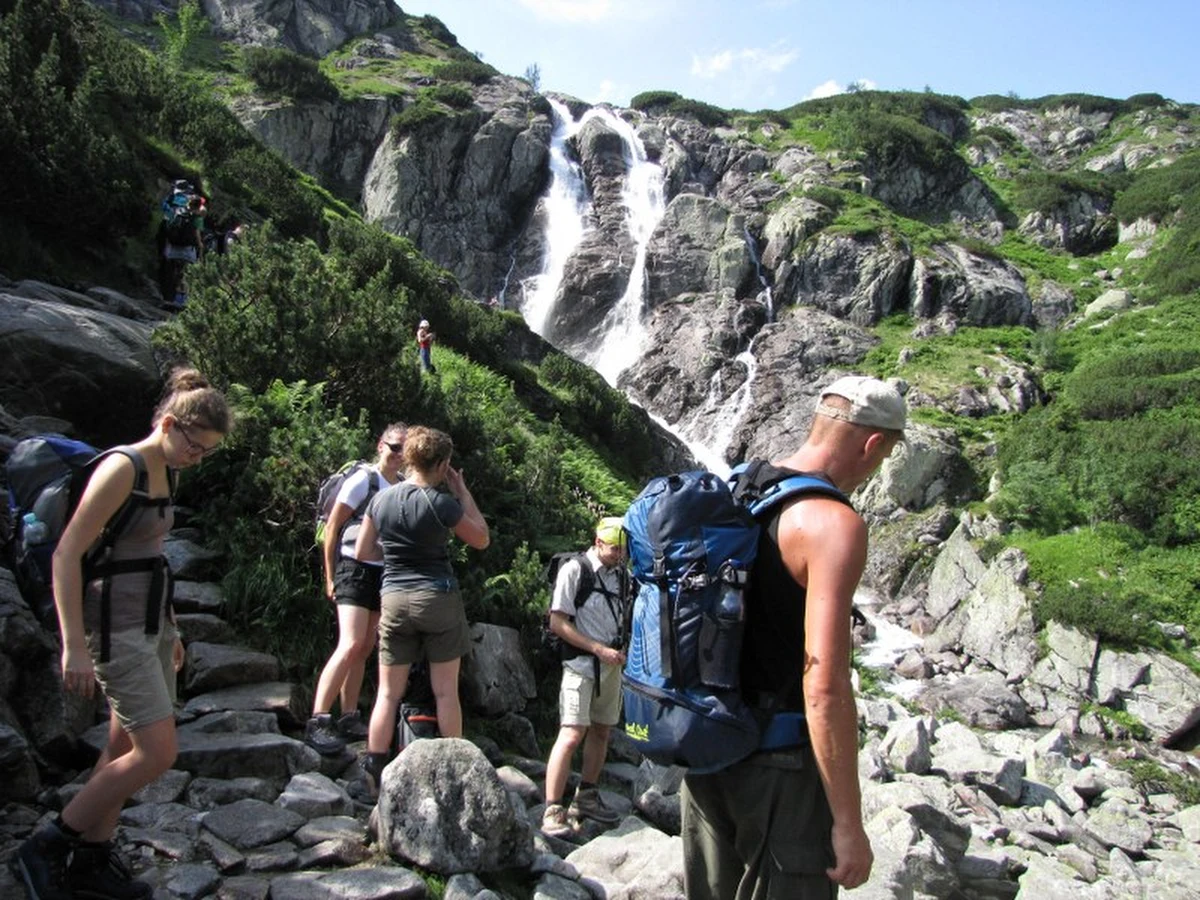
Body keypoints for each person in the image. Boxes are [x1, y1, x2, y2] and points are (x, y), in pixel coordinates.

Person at [9, 368, 231, 900]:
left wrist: (172, 628)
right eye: (194, 446)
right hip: (113, 629)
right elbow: (67, 554)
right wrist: (73, 645)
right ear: (170, 424)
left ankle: (91, 859)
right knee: (158, 753)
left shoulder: (167, 472)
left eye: (206, 452)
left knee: (121, 744)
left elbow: (151, 558)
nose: (195, 458)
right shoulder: (122, 467)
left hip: (150, 625)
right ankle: (45, 845)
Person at [681, 375, 906, 899]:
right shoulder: (833, 523)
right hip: (777, 768)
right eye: (885, 454)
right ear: (873, 445)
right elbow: (823, 687)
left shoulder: (737, 486)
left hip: (705, 748)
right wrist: (848, 824)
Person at [353, 426, 489, 795]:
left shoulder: (380, 500)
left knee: (387, 693)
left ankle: (373, 768)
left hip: (393, 597)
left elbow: (364, 552)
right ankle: (457, 771)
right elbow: (481, 537)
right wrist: (462, 492)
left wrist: (396, 557)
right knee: (445, 692)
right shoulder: (442, 502)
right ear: (443, 463)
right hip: (437, 596)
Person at [304, 424, 407, 756]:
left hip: (382, 572)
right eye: (394, 448)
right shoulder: (363, 479)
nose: (398, 456)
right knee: (349, 644)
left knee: (365, 646)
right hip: (352, 567)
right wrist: (330, 576)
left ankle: (348, 716)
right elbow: (333, 526)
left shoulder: (402, 486)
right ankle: (318, 719)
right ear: (380, 445)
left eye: (405, 450)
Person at [541, 517, 629, 837]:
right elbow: (558, 622)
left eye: (623, 549)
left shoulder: (623, 576)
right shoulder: (575, 570)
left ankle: (587, 796)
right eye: (614, 548)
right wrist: (597, 649)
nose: (619, 555)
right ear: (598, 543)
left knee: (602, 731)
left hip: (611, 665)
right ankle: (552, 808)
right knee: (572, 733)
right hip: (579, 664)